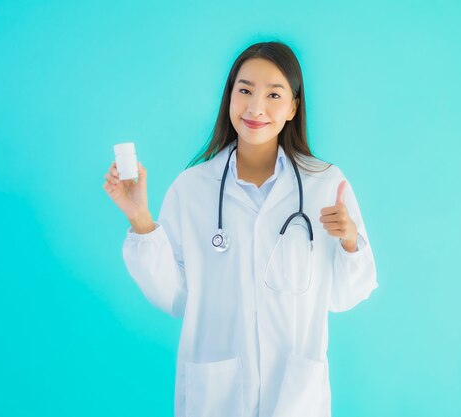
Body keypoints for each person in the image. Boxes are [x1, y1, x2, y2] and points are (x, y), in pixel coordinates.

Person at [102, 41, 378, 417]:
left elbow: (346, 295)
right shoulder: (192, 188)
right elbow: (175, 298)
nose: (255, 107)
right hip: (216, 396)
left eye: (273, 94)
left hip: (295, 398)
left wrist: (349, 240)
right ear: (229, 96)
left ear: (294, 106)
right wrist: (140, 220)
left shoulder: (326, 184)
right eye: (244, 90)